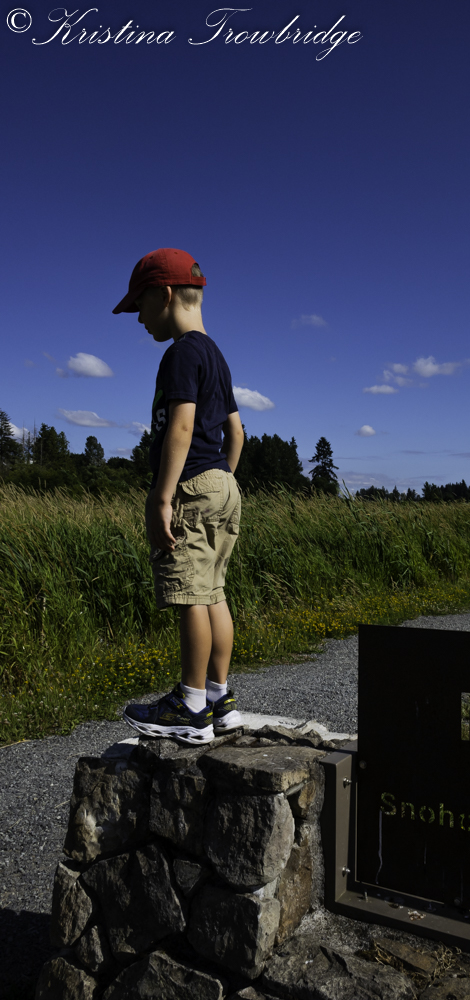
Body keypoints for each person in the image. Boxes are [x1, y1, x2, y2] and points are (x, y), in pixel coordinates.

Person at [112, 247, 245, 744]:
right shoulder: (216, 356)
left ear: (165, 295)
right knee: (213, 592)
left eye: (140, 305)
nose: (138, 318)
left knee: (190, 594)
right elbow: (237, 434)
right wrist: (221, 480)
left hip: (191, 483)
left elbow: (182, 426)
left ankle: (190, 707)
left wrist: (163, 497)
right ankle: (218, 698)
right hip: (223, 483)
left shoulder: (181, 353)